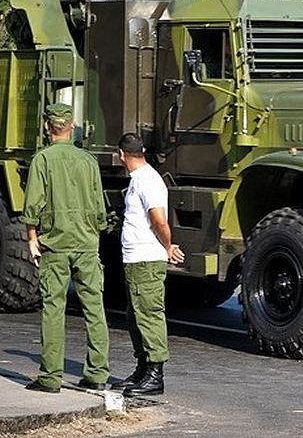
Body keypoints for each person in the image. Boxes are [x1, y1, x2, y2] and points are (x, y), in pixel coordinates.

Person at [21, 103, 110, 393]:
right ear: (72, 125)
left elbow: (33, 204)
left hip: (55, 244)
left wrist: (32, 237)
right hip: (86, 243)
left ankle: (50, 377)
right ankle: (97, 373)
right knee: (94, 309)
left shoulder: (42, 160)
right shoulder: (89, 161)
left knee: (53, 309)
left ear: (48, 127)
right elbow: (99, 208)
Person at [113, 132, 184, 397]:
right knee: (136, 316)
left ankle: (155, 375)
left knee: (149, 314)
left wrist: (167, 246)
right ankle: (143, 369)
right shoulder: (139, 179)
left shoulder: (148, 181)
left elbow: (159, 220)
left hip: (146, 258)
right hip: (136, 258)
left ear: (122, 155)